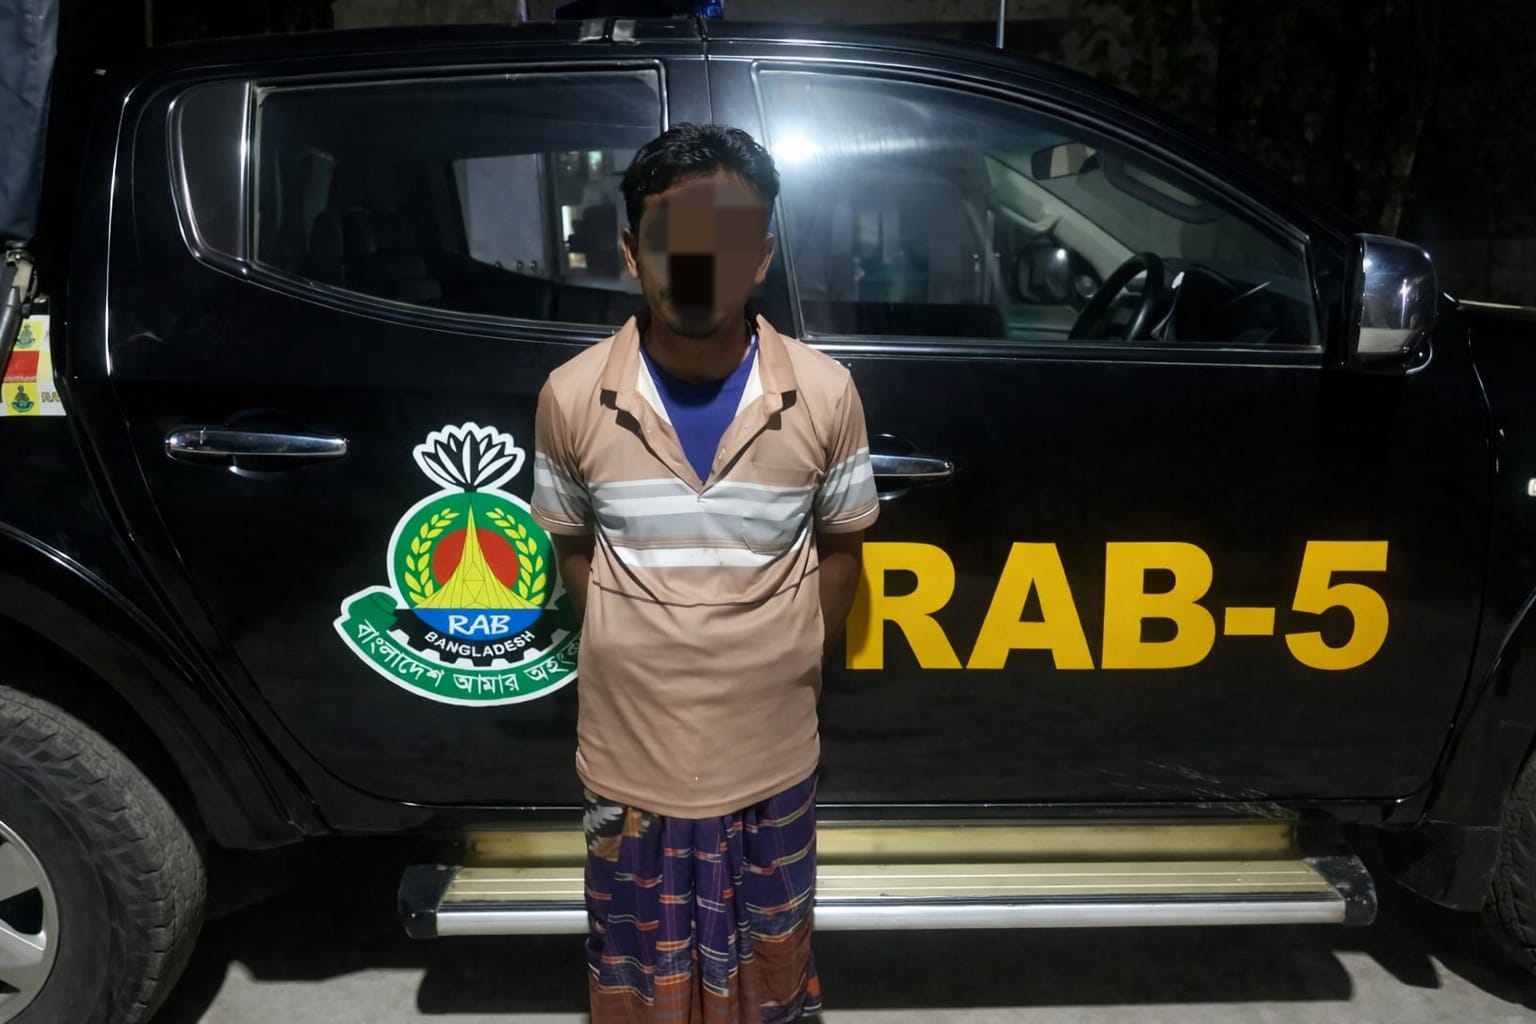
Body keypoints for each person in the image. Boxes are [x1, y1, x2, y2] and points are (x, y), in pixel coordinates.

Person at [530, 123, 879, 1023]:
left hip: (773, 758)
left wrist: (781, 658)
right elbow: (572, 550)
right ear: (630, 251)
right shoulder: (571, 395)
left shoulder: (825, 392)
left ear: (760, 254)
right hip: (628, 764)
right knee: (636, 970)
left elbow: (843, 549)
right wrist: (642, 645)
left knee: (769, 969)